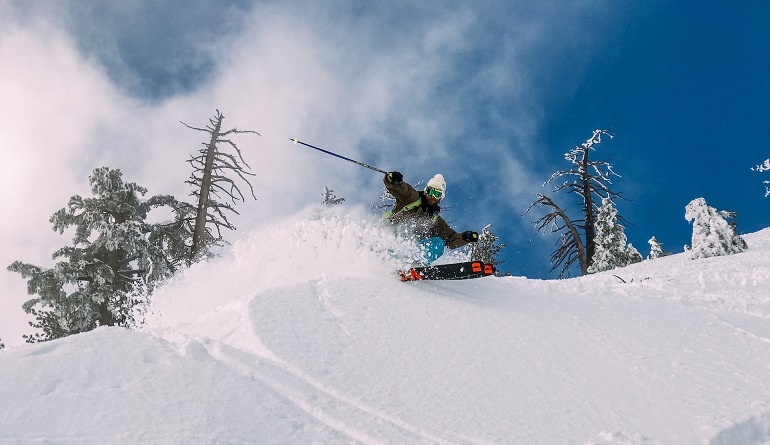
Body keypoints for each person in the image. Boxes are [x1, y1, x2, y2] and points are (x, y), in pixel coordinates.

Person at [383, 171, 478, 264]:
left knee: (438, 243)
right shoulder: (412, 199)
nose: (432, 196)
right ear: (425, 191)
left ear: (441, 198)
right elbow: (402, 189)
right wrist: (393, 180)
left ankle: (417, 264)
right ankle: (384, 258)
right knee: (400, 233)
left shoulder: (435, 220)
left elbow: (450, 239)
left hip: (408, 249)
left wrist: (465, 237)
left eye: (437, 194)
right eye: (430, 191)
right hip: (391, 238)